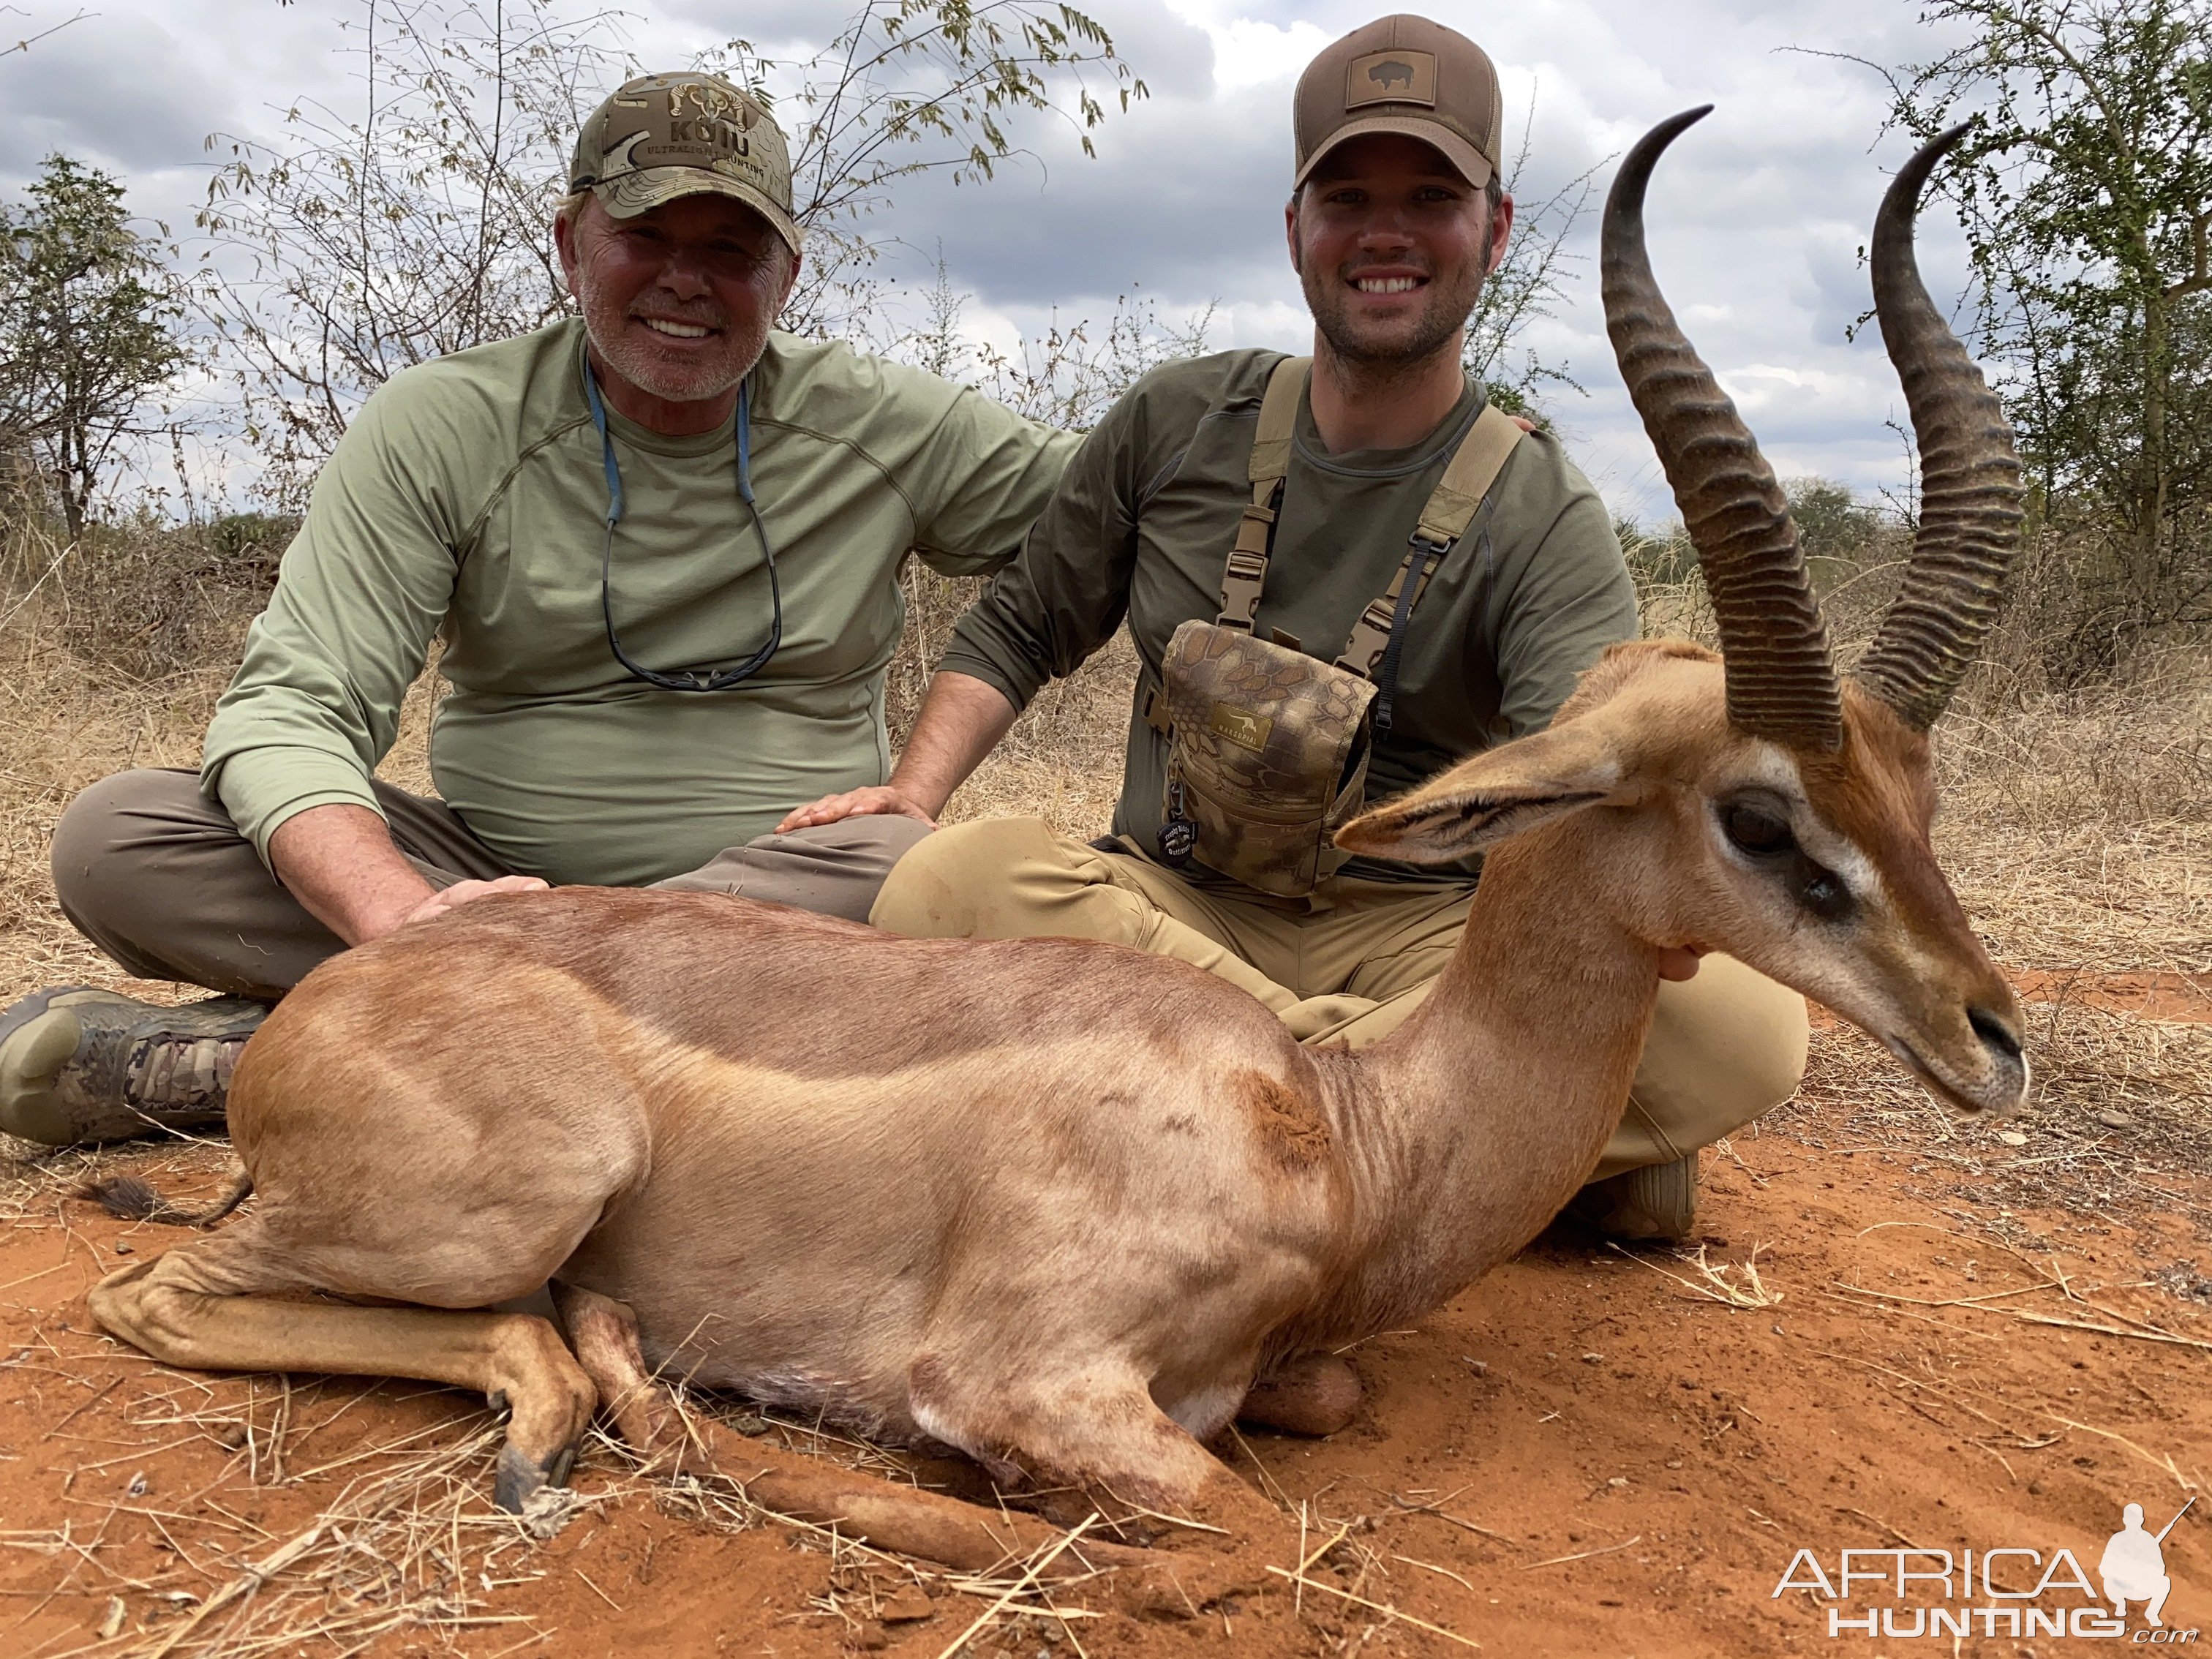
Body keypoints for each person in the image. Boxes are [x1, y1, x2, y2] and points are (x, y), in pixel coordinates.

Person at [784, 15, 1808, 1241]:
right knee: (948, 877)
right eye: (1348, 195)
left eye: (1432, 195)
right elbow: (1020, 625)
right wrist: (911, 791)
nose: (1386, 232)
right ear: (1295, 231)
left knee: (1751, 1028)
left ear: (1494, 228)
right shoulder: (1176, 421)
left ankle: (1214, 1111)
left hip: (1425, 940)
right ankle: (1482, 1143)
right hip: (1171, 913)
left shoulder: (1543, 512)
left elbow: (1579, 791)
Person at [1, 72, 1075, 1148]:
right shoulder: (446, 424)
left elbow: (1117, 508)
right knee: (118, 837)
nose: (686, 282)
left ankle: (309, 1051)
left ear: (786, 275)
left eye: (729, 251)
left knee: (907, 867)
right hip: (487, 892)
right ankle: (591, 1035)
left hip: (786, 889)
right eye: (647, 236)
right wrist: (402, 918)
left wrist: (922, 779)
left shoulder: (889, 424)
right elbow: (291, 708)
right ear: (570, 245)